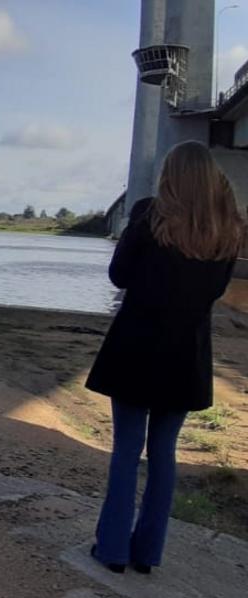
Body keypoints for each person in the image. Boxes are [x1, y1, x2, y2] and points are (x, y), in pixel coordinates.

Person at [85, 141, 243, 575]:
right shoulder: (227, 228)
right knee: (164, 453)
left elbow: (119, 275)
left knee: (126, 450)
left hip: (137, 348)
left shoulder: (149, 214)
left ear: (171, 174)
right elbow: (213, 292)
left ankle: (113, 548)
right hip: (185, 355)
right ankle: (148, 553)